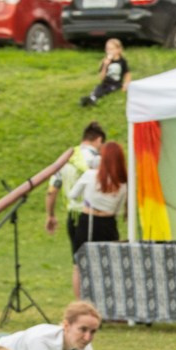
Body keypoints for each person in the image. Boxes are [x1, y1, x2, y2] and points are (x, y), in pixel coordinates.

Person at [47, 122, 106, 297]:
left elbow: (52, 190)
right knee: (100, 261)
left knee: (77, 264)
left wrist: (50, 215)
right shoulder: (96, 159)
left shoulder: (66, 158)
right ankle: (100, 303)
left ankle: (80, 304)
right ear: (99, 139)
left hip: (72, 217)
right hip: (94, 215)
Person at [69, 141, 127, 249]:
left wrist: (87, 199)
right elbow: (118, 210)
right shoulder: (123, 184)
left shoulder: (90, 175)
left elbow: (73, 195)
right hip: (109, 224)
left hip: (88, 220)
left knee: (82, 260)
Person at [80, 39, 131, 107]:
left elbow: (127, 73)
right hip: (105, 82)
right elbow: (102, 77)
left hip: (116, 84)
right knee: (98, 88)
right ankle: (91, 99)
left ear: (119, 49)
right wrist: (105, 65)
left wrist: (126, 84)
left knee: (107, 90)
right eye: (108, 49)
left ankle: (93, 99)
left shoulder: (122, 61)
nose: (110, 51)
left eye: (112, 49)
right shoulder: (105, 61)